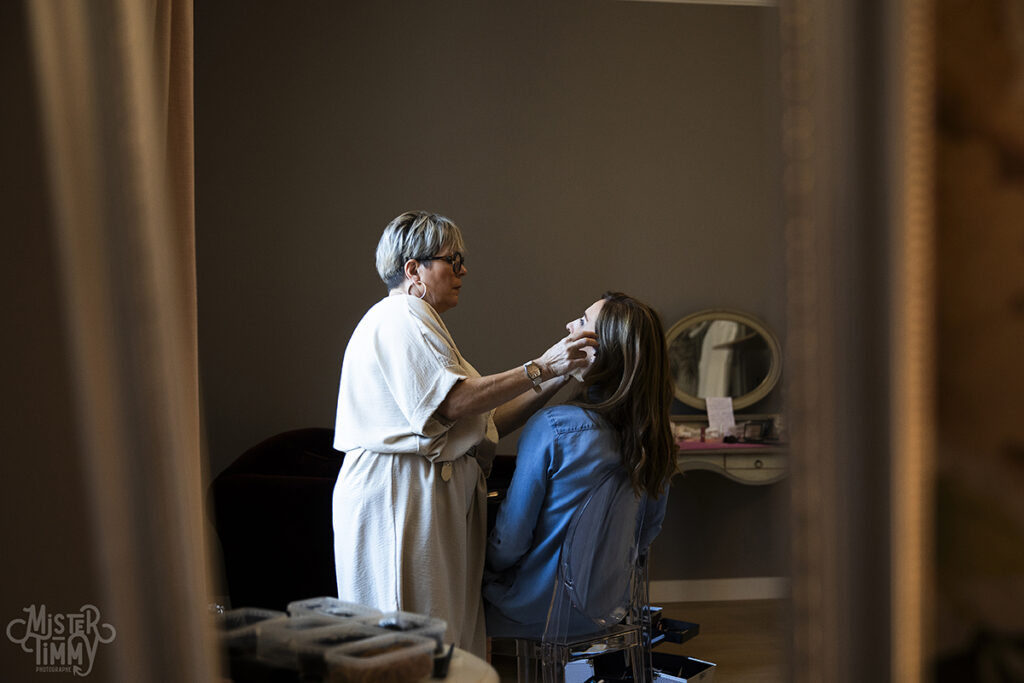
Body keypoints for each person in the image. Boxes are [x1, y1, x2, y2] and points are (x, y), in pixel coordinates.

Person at [331, 210, 597, 658]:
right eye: (452, 260)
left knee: (441, 637)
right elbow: (454, 402)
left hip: (425, 495)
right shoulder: (399, 316)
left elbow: (484, 422)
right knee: (412, 640)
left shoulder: (421, 322)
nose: (463, 271)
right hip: (399, 496)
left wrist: (558, 375)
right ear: (413, 269)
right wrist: (542, 365)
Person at [482, 292, 677, 638]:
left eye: (584, 322)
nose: (570, 325)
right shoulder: (655, 438)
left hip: (531, 612)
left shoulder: (554, 429)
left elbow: (510, 544)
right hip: (606, 611)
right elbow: (645, 532)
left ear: (603, 351)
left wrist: (480, 564)